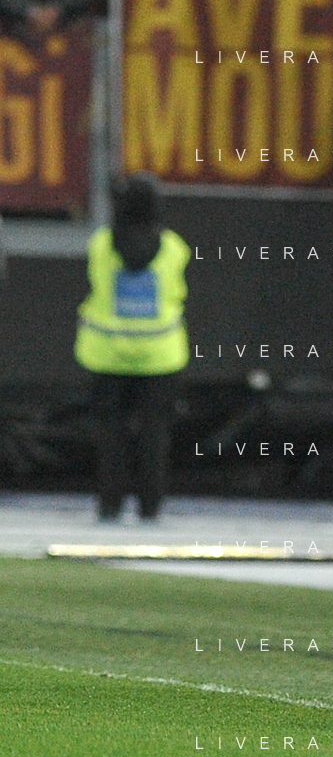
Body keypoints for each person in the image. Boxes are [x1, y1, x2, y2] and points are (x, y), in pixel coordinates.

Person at [75, 173, 188, 522]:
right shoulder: (174, 248)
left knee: (110, 436)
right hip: (159, 357)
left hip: (107, 355)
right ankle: (150, 507)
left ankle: (110, 505)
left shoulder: (100, 245)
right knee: (155, 435)